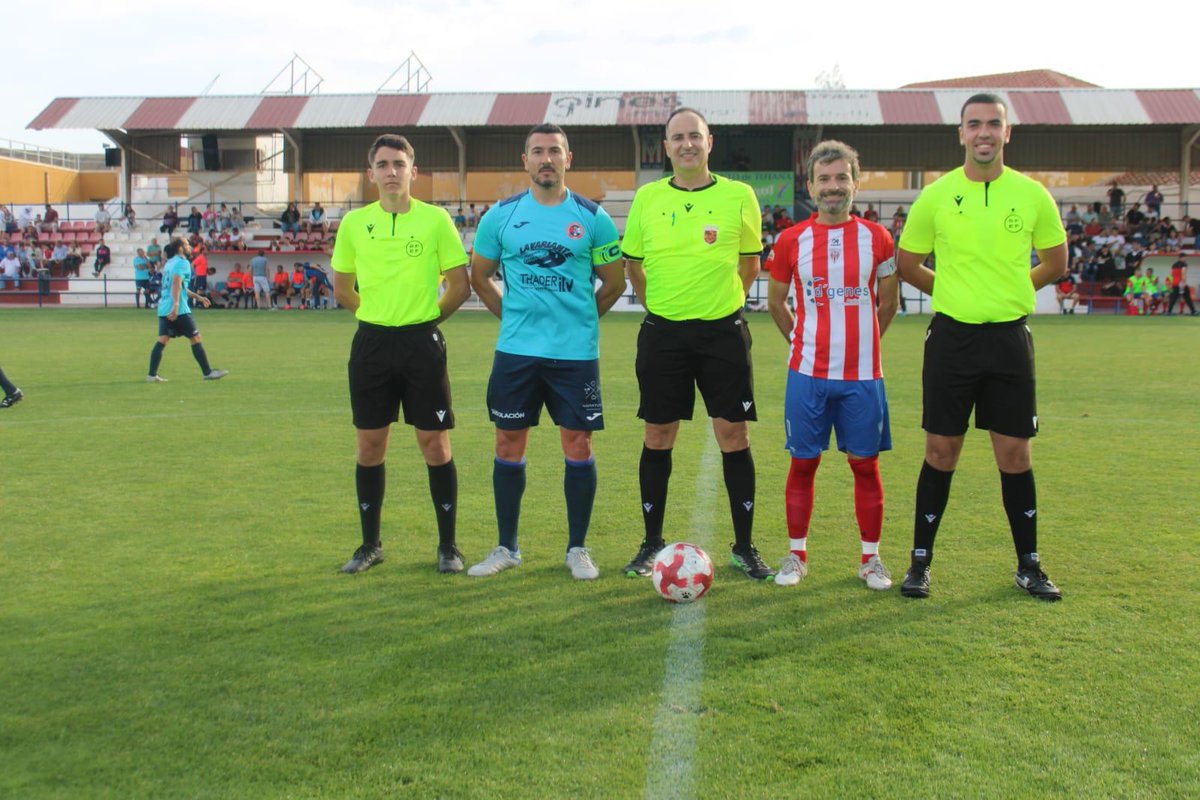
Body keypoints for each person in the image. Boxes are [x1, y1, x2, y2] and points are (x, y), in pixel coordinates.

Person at [896, 93, 1067, 601]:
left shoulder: (1033, 195)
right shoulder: (936, 195)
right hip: (952, 339)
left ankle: (1029, 566)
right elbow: (908, 264)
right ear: (961, 133)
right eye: (975, 124)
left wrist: (1009, 291)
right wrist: (955, 293)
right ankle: (920, 562)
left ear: (1007, 132)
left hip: (1010, 339)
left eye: (994, 123)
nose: (984, 132)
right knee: (940, 450)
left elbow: (1055, 263)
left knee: (1015, 454)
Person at [620, 107, 773, 580]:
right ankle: (651, 543)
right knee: (658, 435)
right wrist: (661, 308)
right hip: (663, 333)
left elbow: (749, 263)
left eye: (695, 136)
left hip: (722, 332)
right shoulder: (647, 197)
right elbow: (634, 267)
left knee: (734, 434)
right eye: (677, 137)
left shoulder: (738, 195)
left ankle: (744, 546)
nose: (687, 144)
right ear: (665, 147)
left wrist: (723, 302)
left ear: (710, 143)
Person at [466, 124, 624, 581]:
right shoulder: (500, 216)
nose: (546, 159)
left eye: (555, 151)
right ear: (525, 161)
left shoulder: (592, 217)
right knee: (507, 442)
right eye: (538, 151)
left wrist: (581, 321)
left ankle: (577, 549)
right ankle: (507, 547)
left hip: (575, 355)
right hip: (516, 352)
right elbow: (480, 277)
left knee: (578, 443)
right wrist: (511, 317)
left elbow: (614, 282)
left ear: (568, 159)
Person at [331, 133, 470, 575]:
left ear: (413, 170)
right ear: (371, 173)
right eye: (383, 164)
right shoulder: (354, 224)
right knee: (370, 444)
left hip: (421, 344)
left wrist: (425, 321)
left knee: (435, 442)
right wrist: (376, 316)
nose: (391, 171)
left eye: (399, 163)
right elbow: (341, 287)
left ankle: (448, 546)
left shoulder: (435, 221)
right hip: (371, 345)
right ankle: (370, 544)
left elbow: (459, 284)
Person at [765, 140, 900, 591]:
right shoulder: (790, 240)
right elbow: (776, 303)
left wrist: (862, 345)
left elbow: (889, 302)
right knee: (803, 465)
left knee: (865, 466)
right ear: (810, 185)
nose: (833, 187)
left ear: (855, 184)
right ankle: (797, 555)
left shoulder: (878, 239)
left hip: (863, 377)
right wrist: (803, 343)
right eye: (824, 179)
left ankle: (871, 560)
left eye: (842, 178)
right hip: (808, 376)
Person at [146, 237, 228, 383]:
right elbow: (176, 283)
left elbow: (180, 286)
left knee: (162, 340)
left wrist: (199, 297)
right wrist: (176, 305)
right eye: (187, 245)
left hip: (164, 307)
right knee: (195, 338)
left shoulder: (169, 263)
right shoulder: (182, 262)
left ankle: (151, 375)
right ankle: (207, 372)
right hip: (179, 309)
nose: (190, 247)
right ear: (181, 248)